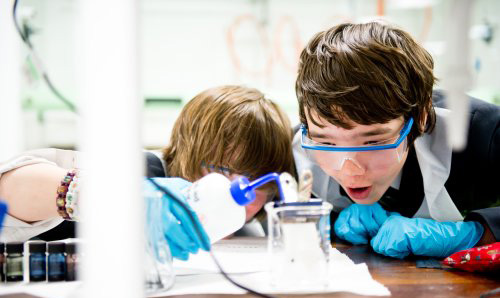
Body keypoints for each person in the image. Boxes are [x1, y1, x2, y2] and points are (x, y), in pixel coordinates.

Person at [0, 85, 295, 260]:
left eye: (256, 183)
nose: (238, 191)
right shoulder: (141, 174)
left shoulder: (253, 226)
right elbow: (10, 187)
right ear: (187, 151)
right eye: (221, 170)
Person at [293, 21, 499, 259]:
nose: (350, 172)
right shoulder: (303, 143)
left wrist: (476, 233)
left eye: (373, 142)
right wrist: (333, 220)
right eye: (328, 144)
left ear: (420, 117)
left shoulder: (483, 133)